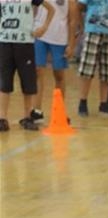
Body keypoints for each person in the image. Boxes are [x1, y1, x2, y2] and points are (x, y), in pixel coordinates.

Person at [0, 0, 54, 131]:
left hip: (25, 44)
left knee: (28, 81)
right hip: (5, 43)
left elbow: (51, 9)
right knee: (4, 82)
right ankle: (2, 118)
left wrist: (44, 27)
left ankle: (27, 117)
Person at [74, 0, 108, 117]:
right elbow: (79, 7)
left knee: (107, 71)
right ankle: (83, 101)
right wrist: (82, 27)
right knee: (87, 68)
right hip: (93, 30)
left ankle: (104, 103)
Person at [31, 0, 76, 123]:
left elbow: (72, 20)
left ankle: (59, 111)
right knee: (38, 71)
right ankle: (36, 110)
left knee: (59, 74)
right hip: (41, 34)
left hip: (59, 37)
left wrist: (71, 44)